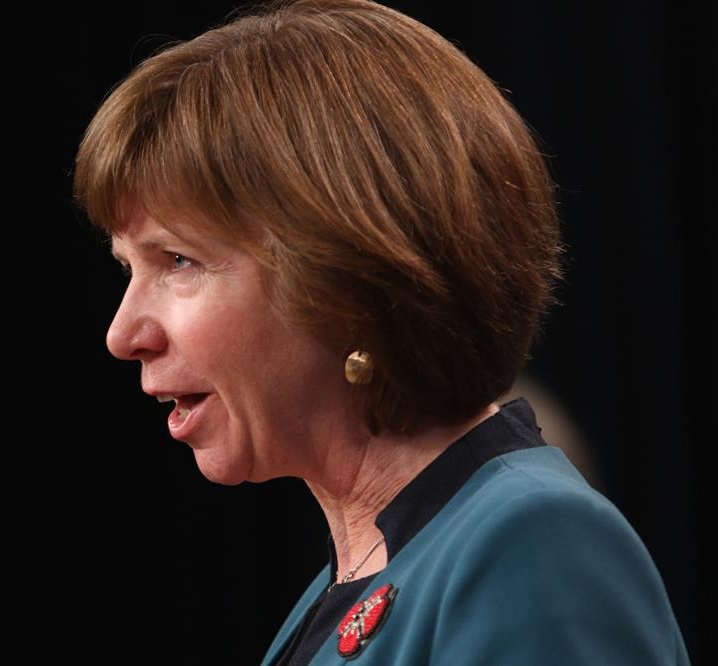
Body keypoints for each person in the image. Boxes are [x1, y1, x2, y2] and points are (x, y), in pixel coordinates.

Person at [72, 0, 690, 663]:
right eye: (128, 268)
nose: (122, 334)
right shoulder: (357, 580)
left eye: (178, 261)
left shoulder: (534, 544)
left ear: (349, 273)